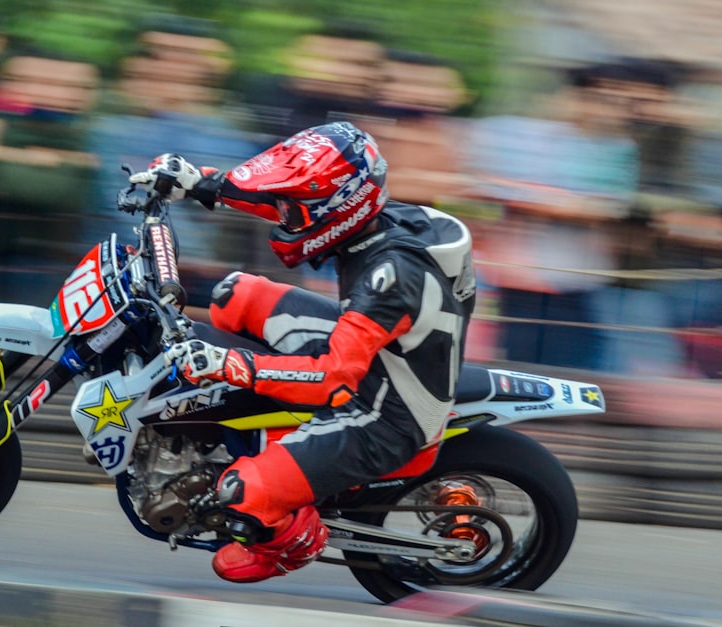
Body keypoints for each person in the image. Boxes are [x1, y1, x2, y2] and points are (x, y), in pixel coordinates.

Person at [128, 121, 476, 583]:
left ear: (339, 209)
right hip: (379, 356)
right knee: (235, 294)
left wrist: (232, 365)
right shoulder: (379, 220)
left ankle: (293, 543)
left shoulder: (390, 278)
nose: (285, 219)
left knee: (238, 492)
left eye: (293, 212)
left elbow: (333, 378)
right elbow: (286, 199)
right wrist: (199, 183)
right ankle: (254, 418)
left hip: (385, 415)